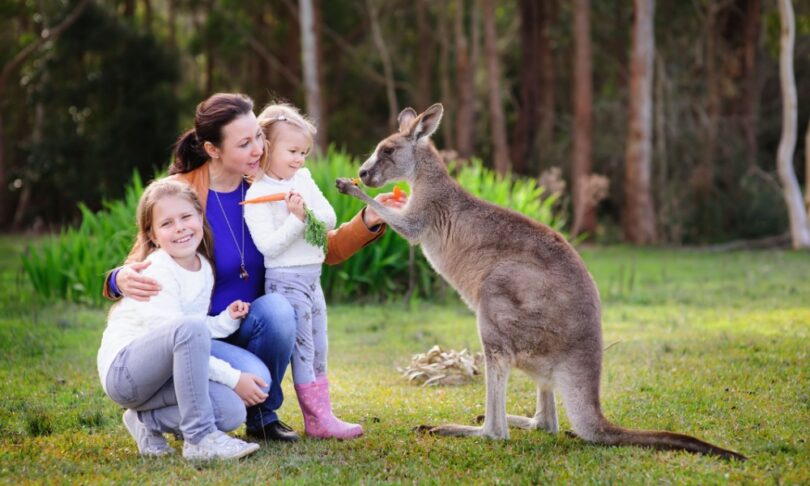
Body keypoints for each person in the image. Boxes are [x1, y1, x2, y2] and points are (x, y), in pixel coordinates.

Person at [103, 93, 401, 442]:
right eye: (244, 143)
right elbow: (143, 261)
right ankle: (181, 409)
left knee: (278, 310)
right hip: (200, 333)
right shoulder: (182, 194)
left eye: (258, 137)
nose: (258, 150)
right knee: (240, 390)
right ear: (214, 150)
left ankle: (262, 417)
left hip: (248, 322)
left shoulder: (269, 185)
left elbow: (323, 249)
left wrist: (367, 218)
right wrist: (116, 280)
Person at [97, 179, 262, 460]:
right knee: (192, 333)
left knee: (231, 410)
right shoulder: (157, 269)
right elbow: (184, 332)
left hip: (164, 379)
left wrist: (226, 320)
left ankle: (146, 422)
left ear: (200, 216)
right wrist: (234, 378)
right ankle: (200, 439)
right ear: (152, 234)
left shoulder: (202, 268)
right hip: (126, 373)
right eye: (167, 223)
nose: (180, 228)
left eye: (186, 217)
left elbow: (193, 336)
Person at [244, 103, 357, 439]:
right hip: (286, 281)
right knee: (304, 349)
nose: (299, 159)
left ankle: (321, 417)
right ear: (266, 148)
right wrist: (296, 219)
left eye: (304, 152)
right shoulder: (258, 195)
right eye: (292, 151)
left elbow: (329, 218)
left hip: (313, 278)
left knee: (320, 345)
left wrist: (304, 212)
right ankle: (318, 420)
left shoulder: (302, 179)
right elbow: (269, 247)